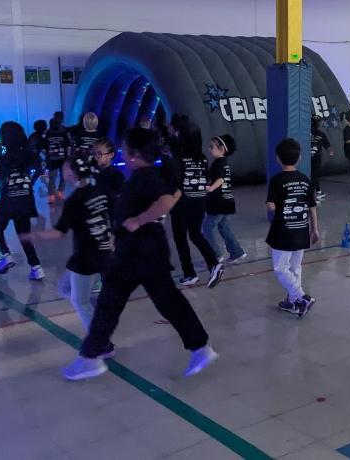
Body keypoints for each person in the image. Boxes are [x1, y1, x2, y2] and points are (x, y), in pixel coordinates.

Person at [62, 128, 218, 381]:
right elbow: (171, 197)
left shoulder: (144, 176)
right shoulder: (145, 175)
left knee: (109, 304)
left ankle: (90, 358)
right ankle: (200, 347)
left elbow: (165, 202)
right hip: (145, 249)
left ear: (133, 153)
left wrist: (138, 220)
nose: (122, 152)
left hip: (136, 252)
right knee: (166, 300)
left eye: (124, 148)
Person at [34, 141, 120, 326]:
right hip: (100, 251)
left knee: (79, 300)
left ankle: (98, 337)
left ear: (70, 173)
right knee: (65, 288)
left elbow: (59, 232)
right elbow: (115, 213)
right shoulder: (100, 191)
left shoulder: (76, 200)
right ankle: (99, 312)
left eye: (65, 169)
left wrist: (33, 235)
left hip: (87, 256)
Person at [266, 138, 320, 318]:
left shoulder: (276, 180)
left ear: (277, 158)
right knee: (295, 268)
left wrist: (277, 208)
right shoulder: (305, 180)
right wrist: (315, 229)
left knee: (281, 268)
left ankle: (302, 297)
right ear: (299, 158)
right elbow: (312, 207)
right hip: (301, 231)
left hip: (283, 232)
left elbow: (271, 206)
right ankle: (293, 302)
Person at [168, 117, 225, 287]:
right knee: (195, 234)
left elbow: (175, 181)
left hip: (182, 202)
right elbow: (205, 178)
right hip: (200, 201)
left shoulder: (179, 157)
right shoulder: (202, 158)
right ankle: (213, 264)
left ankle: (189, 273)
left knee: (180, 237)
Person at [0, 121, 45, 281]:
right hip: (25, 198)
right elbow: (41, 167)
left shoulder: (2, 159)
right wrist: (31, 182)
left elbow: (3, 181)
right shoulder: (29, 154)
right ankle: (36, 267)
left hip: (8, 199)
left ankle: (6, 255)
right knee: (24, 234)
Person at [202, 134, 246, 265]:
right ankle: (237, 252)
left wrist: (210, 188)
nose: (209, 149)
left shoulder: (218, 164)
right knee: (224, 227)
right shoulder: (224, 163)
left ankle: (215, 255)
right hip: (228, 201)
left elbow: (220, 179)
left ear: (222, 149)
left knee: (207, 228)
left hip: (219, 203)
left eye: (212, 147)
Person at [44, 117, 72, 202]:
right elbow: (68, 145)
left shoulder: (48, 133)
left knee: (52, 178)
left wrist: (47, 156)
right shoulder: (64, 133)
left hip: (52, 159)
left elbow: (45, 146)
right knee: (63, 176)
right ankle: (60, 193)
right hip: (62, 159)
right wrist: (68, 156)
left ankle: (52, 196)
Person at [309, 116, 333, 200]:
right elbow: (327, 145)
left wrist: (330, 151)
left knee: (314, 175)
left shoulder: (320, 134)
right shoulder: (320, 133)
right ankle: (311, 195)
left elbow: (327, 145)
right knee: (314, 176)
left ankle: (318, 192)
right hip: (315, 158)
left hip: (311, 158)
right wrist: (330, 152)